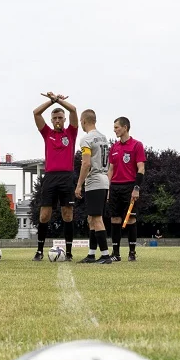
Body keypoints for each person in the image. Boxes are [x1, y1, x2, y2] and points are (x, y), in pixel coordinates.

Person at [32, 93, 79, 261]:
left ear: (65, 119)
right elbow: (36, 113)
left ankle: (69, 252)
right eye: (55, 118)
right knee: (44, 214)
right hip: (50, 177)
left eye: (60, 117)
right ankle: (39, 251)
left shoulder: (71, 133)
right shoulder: (47, 133)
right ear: (51, 120)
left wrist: (59, 101)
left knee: (68, 214)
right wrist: (51, 101)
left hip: (66, 177)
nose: (58, 120)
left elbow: (73, 109)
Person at [74, 109, 113, 264]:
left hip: (95, 181)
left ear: (83, 121)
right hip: (103, 179)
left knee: (96, 219)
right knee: (91, 218)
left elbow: (86, 163)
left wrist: (78, 185)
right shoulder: (103, 138)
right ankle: (91, 254)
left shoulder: (86, 139)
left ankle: (105, 255)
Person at [107, 116, 147, 261]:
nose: (114, 130)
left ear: (125, 127)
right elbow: (110, 170)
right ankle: (116, 253)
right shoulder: (114, 147)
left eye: (117, 127)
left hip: (129, 186)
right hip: (115, 187)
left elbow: (141, 168)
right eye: (114, 127)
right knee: (115, 219)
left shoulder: (137, 145)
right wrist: (108, 188)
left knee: (130, 219)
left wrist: (136, 188)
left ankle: (132, 252)